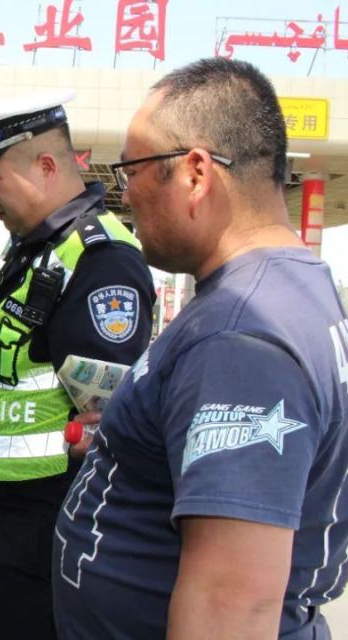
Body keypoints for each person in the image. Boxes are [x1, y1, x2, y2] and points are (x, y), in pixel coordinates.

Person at [53, 57, 348, 639]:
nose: (124, 195)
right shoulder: (287, 289)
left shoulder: (240, 337)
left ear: (194, 173)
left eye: (131, 170)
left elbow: (229, 606)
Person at [0, 92, 155, 639]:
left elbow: (106, 424)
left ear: (45, 166)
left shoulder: (100, 261)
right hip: (15, 510)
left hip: (54, 519)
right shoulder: (37, 249)